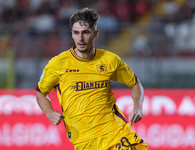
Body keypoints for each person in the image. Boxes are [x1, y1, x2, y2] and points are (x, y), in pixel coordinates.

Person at [36, 8, 148, 150]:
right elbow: (41, 93)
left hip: (115, 132)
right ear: (72, 34)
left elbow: (135, 84)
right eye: (76, 33)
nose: (80, 38)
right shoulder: (58, 64)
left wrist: (138, 107)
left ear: (96, 33)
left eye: (86, 32)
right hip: (83, 140)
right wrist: (49, 112)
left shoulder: (110, 60)